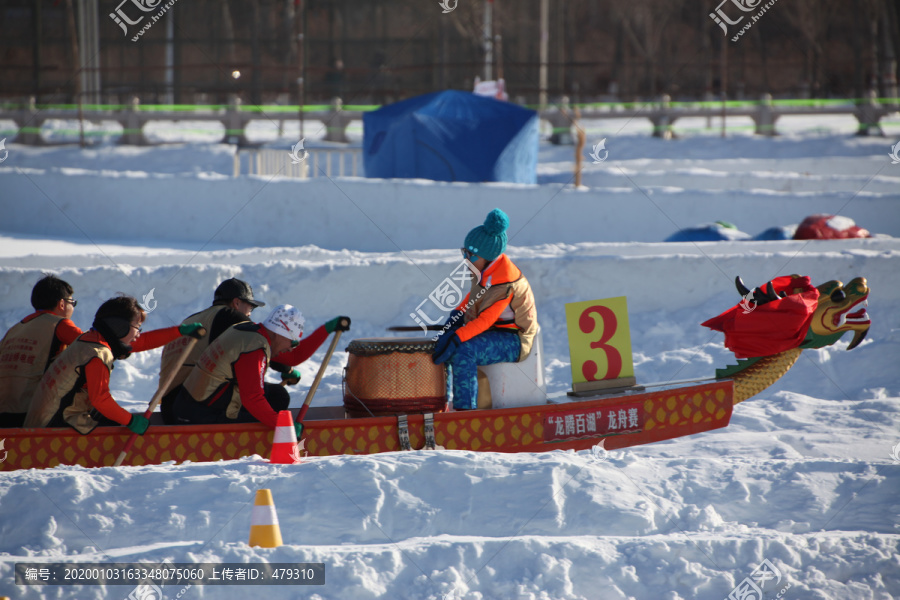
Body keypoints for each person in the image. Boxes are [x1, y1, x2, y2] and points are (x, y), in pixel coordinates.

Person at [23, 295, 204, 434]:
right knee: (115, 424)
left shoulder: (88, 340)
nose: (138, 334)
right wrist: (131, 421)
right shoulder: (98, 353)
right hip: (55, 426)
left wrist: (179, 331)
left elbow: (141, 343)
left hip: (48, 420)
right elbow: (101, 400)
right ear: (119, 327)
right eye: (136, 327)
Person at [173, 304, 350, 432]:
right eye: (292, 341)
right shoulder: (254, 349)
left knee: (277, 396)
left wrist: (326, 329)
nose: (292, 347)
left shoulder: (250, 331)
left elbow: (294, 357)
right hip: (199, 413)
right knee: (271, 408)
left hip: (194, 400)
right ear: (280, 333)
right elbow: (253, 399)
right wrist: (285, 428)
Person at [432, 208, 539, 410]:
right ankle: (440, 406)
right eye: (464, 252)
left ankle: (466, 412)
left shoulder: (505, 282)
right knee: (441, 346)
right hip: (493, 332)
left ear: (488, 257)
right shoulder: (483, 269)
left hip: (514, 338)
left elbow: (486, 320)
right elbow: (473, 297)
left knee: (463, 350)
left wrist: (457, 337)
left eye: (471, 255)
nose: (466, 259)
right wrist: (454, 318)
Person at [158, 278, 265, 424]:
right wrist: (286, 369)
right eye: (250, 307)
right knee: (275, 396)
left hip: (168, 409)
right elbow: (259, 344)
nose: (250, 314)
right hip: (193, 407)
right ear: (237, 303)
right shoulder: (231, 316)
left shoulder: (190, 320)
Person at [0, 275, 83, 427]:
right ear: (62, 304)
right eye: (72, 302)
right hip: (33, 412)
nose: (73, 307)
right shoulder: (60, 324)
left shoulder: (14, 330)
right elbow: (92, 347)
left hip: (3, 410)